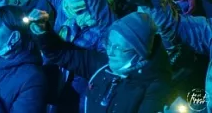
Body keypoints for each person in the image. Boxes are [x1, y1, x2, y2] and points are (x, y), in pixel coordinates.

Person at [31, 7, 173, 112]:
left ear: (140, 52)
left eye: (117, 48)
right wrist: (43, 32)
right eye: (109, 43)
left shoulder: (157, 89)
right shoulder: (104, 65)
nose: (110, 51)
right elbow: (62, 54)